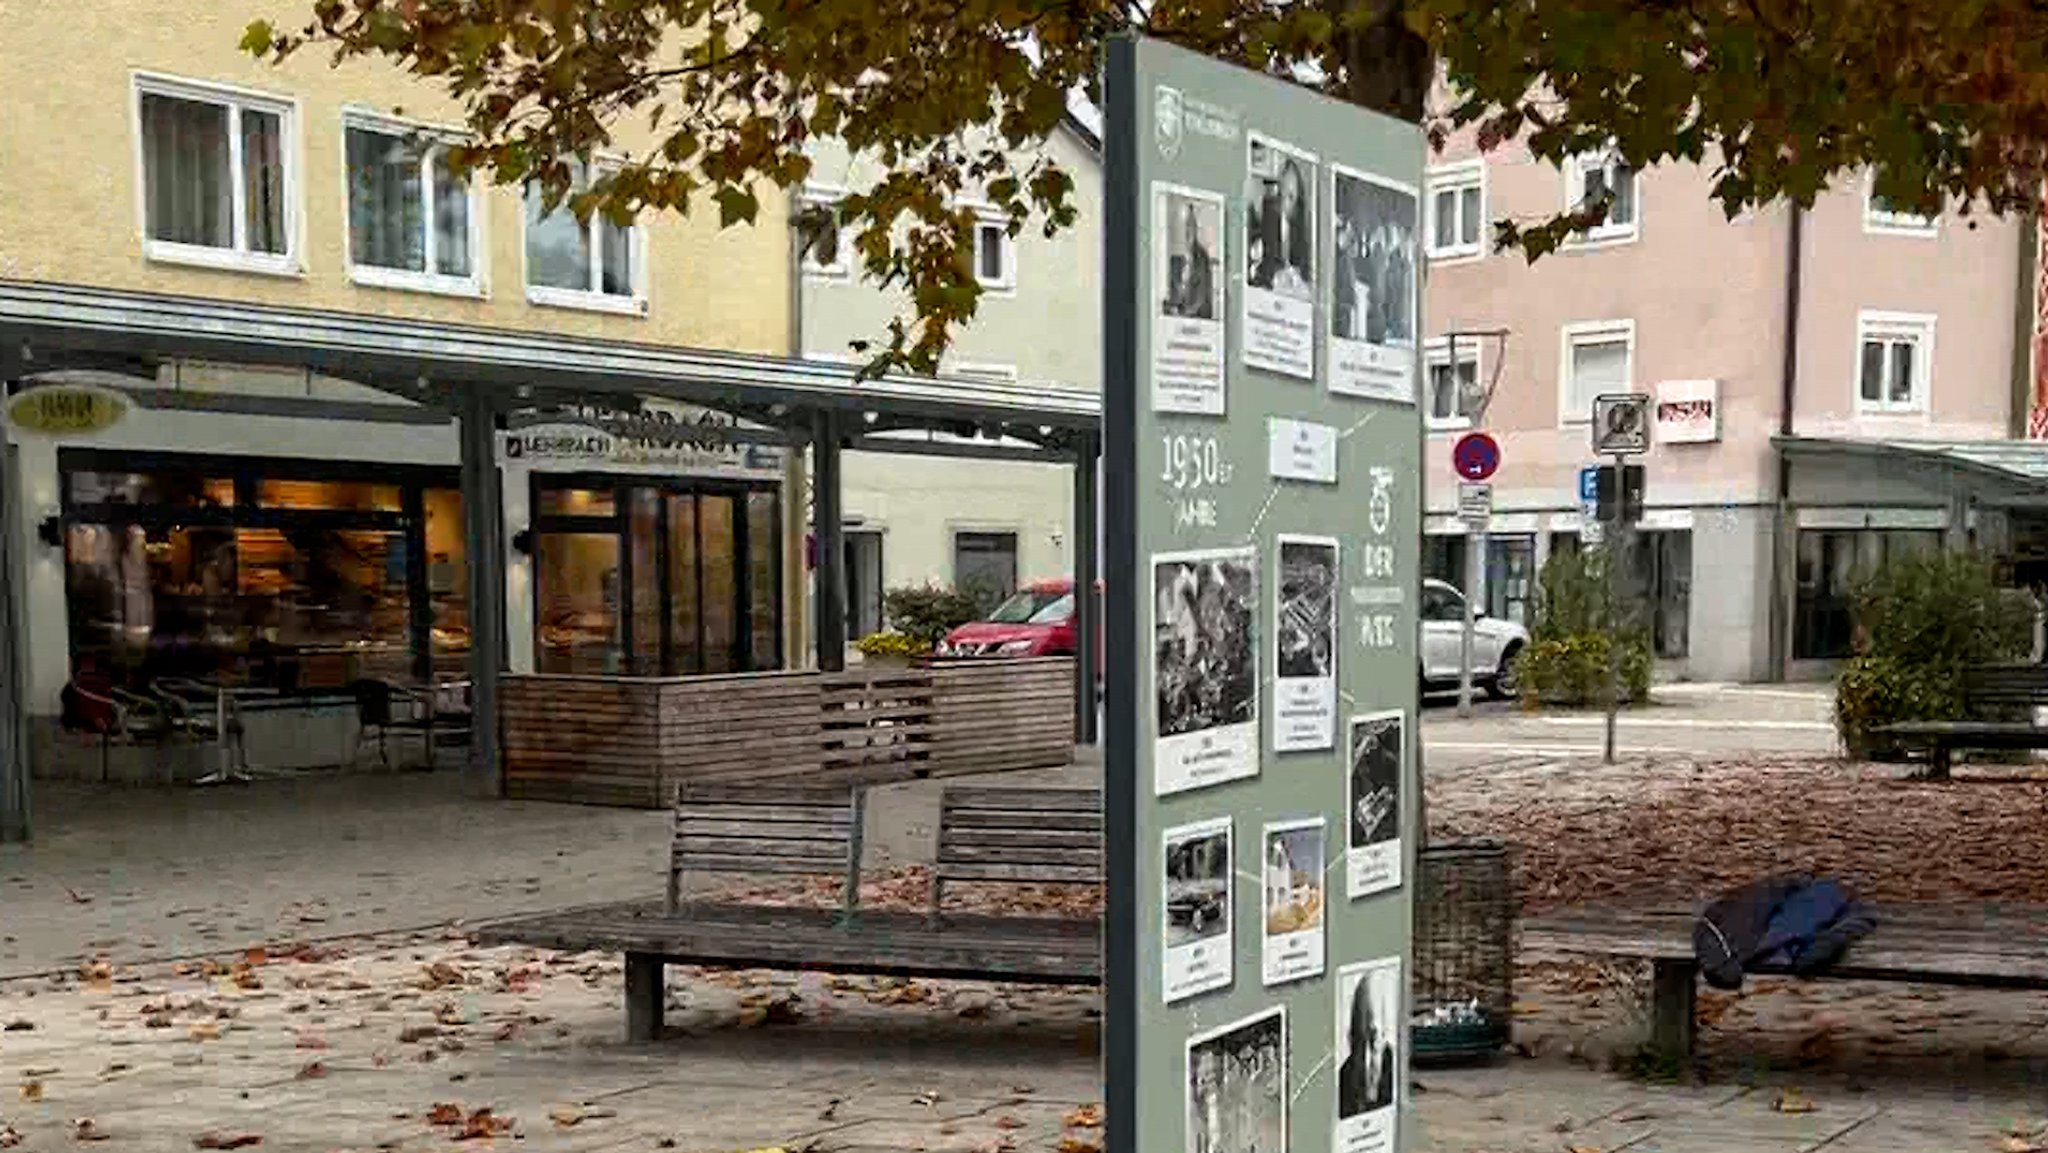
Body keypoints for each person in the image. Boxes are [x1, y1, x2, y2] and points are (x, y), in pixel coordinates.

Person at [1337, 980, 1397, 1117]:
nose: (1374, 1027)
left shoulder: (1392, 1064)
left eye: (1377, 1021)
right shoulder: (1346, 1072)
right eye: (1368, 1020)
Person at [1166, 201, 1216, 319]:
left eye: (1190, 227)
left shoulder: (1201, 257)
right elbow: (1172, 295)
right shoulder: (1174, 260)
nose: (1187, 232)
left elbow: (1201, 296)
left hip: (1198, 320)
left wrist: (1184, 310)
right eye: (1183, 227)